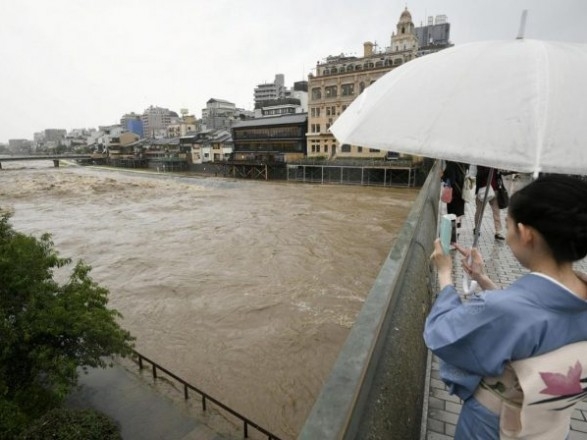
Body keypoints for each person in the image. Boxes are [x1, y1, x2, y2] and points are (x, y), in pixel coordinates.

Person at [424, 174, 587, 439]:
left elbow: (442, 333)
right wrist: (482, 279)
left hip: (494, 427)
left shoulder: (503, 309)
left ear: (525, 234)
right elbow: (533, 320)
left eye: (509, 225)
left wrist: (445, 273)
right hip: (554, 428)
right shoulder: (579, 298)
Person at [475, 165, 505, 240]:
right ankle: (476, 228)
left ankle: (498, 232)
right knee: (479, 211)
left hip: (495, 190)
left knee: (496, 212)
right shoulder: (482, 163)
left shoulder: (496, 163)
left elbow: (499, 175)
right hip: (483, 190)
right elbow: (479, 174)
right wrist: (490, 168)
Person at [442, 161, 468, 228]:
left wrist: (442, 176)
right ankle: (457, 233)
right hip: (461, 192)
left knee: (452, 216)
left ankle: (453, 234)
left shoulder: (451, 164)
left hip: (453, 194)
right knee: (458, 216)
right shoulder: (462, 163)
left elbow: (451, 180)